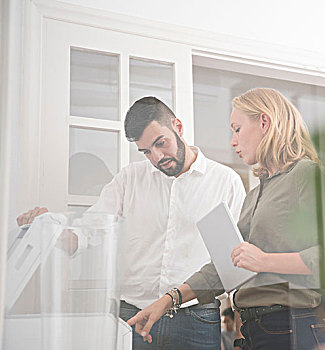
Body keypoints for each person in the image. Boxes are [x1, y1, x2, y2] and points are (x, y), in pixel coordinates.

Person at [16, 96, 246, 350]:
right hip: (133, 315)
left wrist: (240, 330)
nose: (157, 157)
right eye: (146, 151)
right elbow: (86, 231)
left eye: (161, 144)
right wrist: (47, 226)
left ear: (178, 127)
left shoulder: (226, 181)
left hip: (196, 318)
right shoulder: (129, 179)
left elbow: (234, 262)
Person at [127, 88, 325, 349]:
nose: (232, 142)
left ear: (264, 122)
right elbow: (225, 269)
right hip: (256, 331)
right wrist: (167, 301)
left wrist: (263, 260)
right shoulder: (255, 194)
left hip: (293, 326)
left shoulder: (306, 174)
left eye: (236, 129)